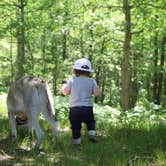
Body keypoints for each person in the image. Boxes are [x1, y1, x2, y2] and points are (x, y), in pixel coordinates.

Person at [61, 58, 100, 145]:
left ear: (75, 70)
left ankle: (77, 143)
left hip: (74, 109)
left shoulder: (72, 80)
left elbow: (65, 92)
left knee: (75, 127)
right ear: (89, 71)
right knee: (91, 122)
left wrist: (63, 87)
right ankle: (91, 134)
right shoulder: (92, 81)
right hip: (87, 108)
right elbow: (97, 93)